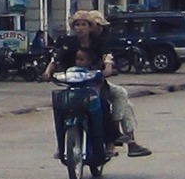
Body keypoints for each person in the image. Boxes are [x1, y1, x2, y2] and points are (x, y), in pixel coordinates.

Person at [42, 9, 151, 159]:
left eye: (84, 24)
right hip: (74, 83)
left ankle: (117, 138)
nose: (80, 28)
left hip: (95, 83)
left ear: (90, 26)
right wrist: (48, 73)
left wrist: (107, 69)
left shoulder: (100, 43)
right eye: (77, 25)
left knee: (104, 103)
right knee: (61, 106)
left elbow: (107, 58)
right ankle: (62, 146)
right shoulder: (68, 42)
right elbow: (56, 58)